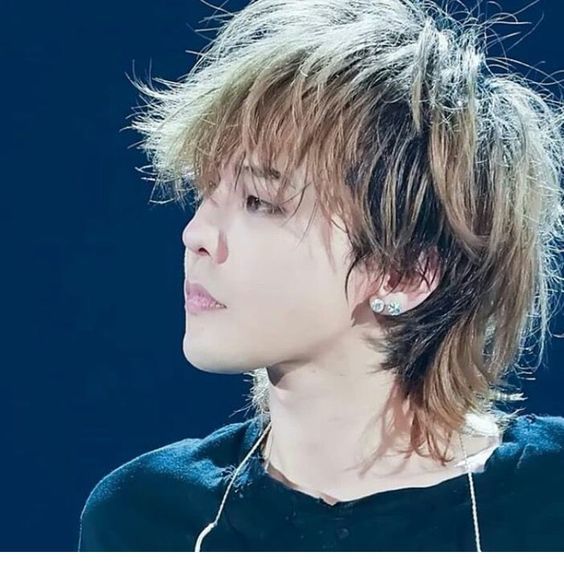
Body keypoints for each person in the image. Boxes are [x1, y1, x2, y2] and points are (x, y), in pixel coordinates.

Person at [78, 0, 564, 552]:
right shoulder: (143, 519)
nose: (196, 234)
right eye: (206, 192)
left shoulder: (547, 500)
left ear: (403, 273)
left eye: (260, 201)